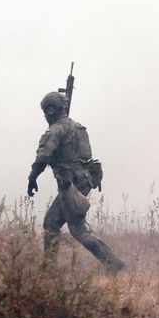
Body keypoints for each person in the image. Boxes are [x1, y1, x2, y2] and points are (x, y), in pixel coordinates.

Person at [27, 92, 124, 271]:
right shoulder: (78, 128)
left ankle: (112, 263)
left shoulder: (57, 129)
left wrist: (32, 178)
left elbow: (43, 156)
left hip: (70, 183)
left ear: (51, 110)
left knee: (69, 228)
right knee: (57, 223)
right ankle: (111, 263)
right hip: (83, 181)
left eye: (46, 111)